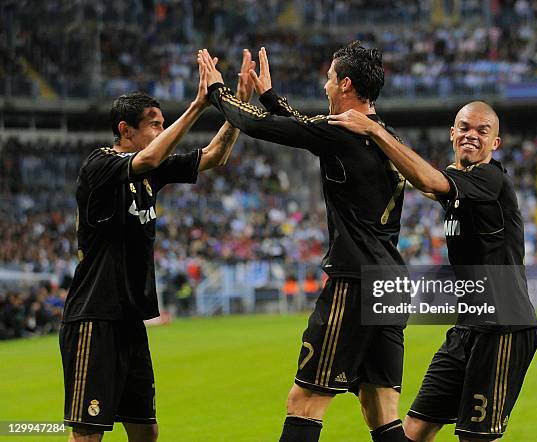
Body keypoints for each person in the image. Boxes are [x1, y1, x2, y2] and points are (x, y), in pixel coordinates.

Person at [201, 43, 411, 442]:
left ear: (345, 83)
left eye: (330, 78)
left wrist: (217, 91)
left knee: (304, 403)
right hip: (392, 281)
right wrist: (270, 96)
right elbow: (306, 127)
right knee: (380, 411)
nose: (325, 85)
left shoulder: (340, 134)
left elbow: (260, 127)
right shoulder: (382, 134)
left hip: (356, 282)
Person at [59, 49, 255, 442]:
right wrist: (199, 105)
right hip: (95, 317)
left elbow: (215, 156)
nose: (160, 131)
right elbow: (148, 158)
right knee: (88, 434)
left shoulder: (151, 169)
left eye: (162, 124)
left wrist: (239, 107)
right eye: (153, 125)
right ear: (125, 130)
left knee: (146, 431)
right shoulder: (100, 165)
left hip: (130, 320)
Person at [328, 101, 537, 441]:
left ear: (495, 143)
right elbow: (422, 180)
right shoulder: (458, 185)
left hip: (505, 329)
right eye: (465, 128)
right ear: (453, 133)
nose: (472, 136)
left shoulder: (491, 179)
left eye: (482, 131)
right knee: (413, 431)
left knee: (473, 437)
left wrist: (374, 130)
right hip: (467, 328)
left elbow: (426, 178)